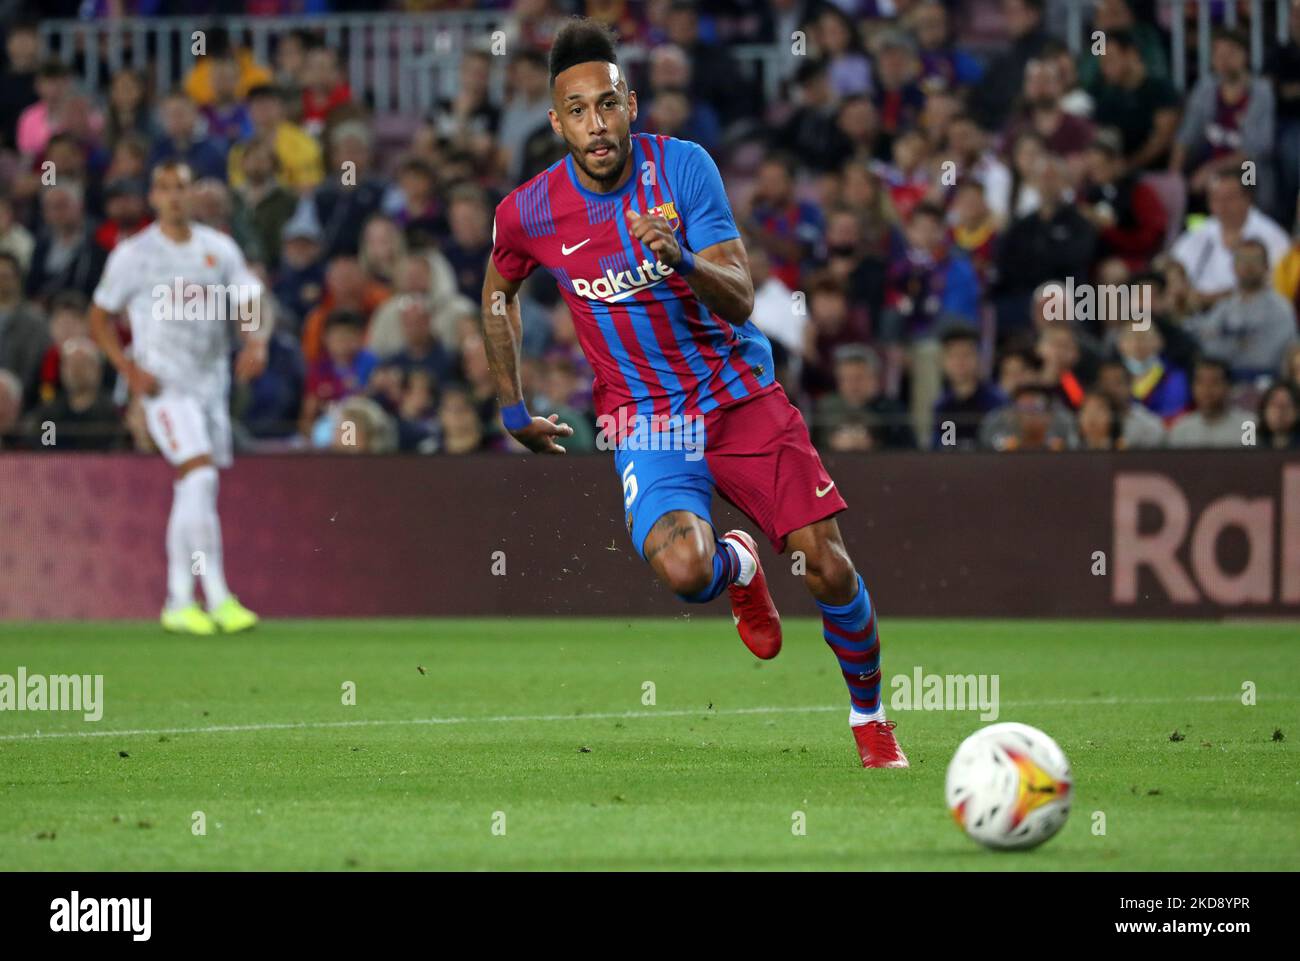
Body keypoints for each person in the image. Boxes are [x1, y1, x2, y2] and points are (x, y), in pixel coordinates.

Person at [481, 18, 907, 770]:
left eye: (607, 104)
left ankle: (870, 718)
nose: (596, 124)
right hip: (646, 419)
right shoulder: (530, 210)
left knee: (828, 565)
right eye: (577, 111)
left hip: (739, 395)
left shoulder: (684, 168)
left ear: (632, 103)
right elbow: (497, 293)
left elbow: (742, 297)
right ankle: (737, 567)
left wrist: (677, 256)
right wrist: (512, 405)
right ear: (556, 122)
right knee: (684, 573)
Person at [88, 161, 268, 635]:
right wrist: (128, 369)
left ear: (193, 194)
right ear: (153, 197)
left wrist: (254, 340)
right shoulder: (134, 254)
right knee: (199, 472)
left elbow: (247, 298)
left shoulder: (218, 248)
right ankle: (219, 597)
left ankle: (179, 600)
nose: (173, 197)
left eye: (182, 188)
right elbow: (99, 318)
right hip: (164, 388)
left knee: (196, 486)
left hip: (211, 388)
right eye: (164, 188)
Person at [1167, 357, 1256, 447]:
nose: (1207, 389)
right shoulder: (1181, 429)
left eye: (1215, 382)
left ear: (1228, 387)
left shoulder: (1248, 426)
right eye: (1200, 382)